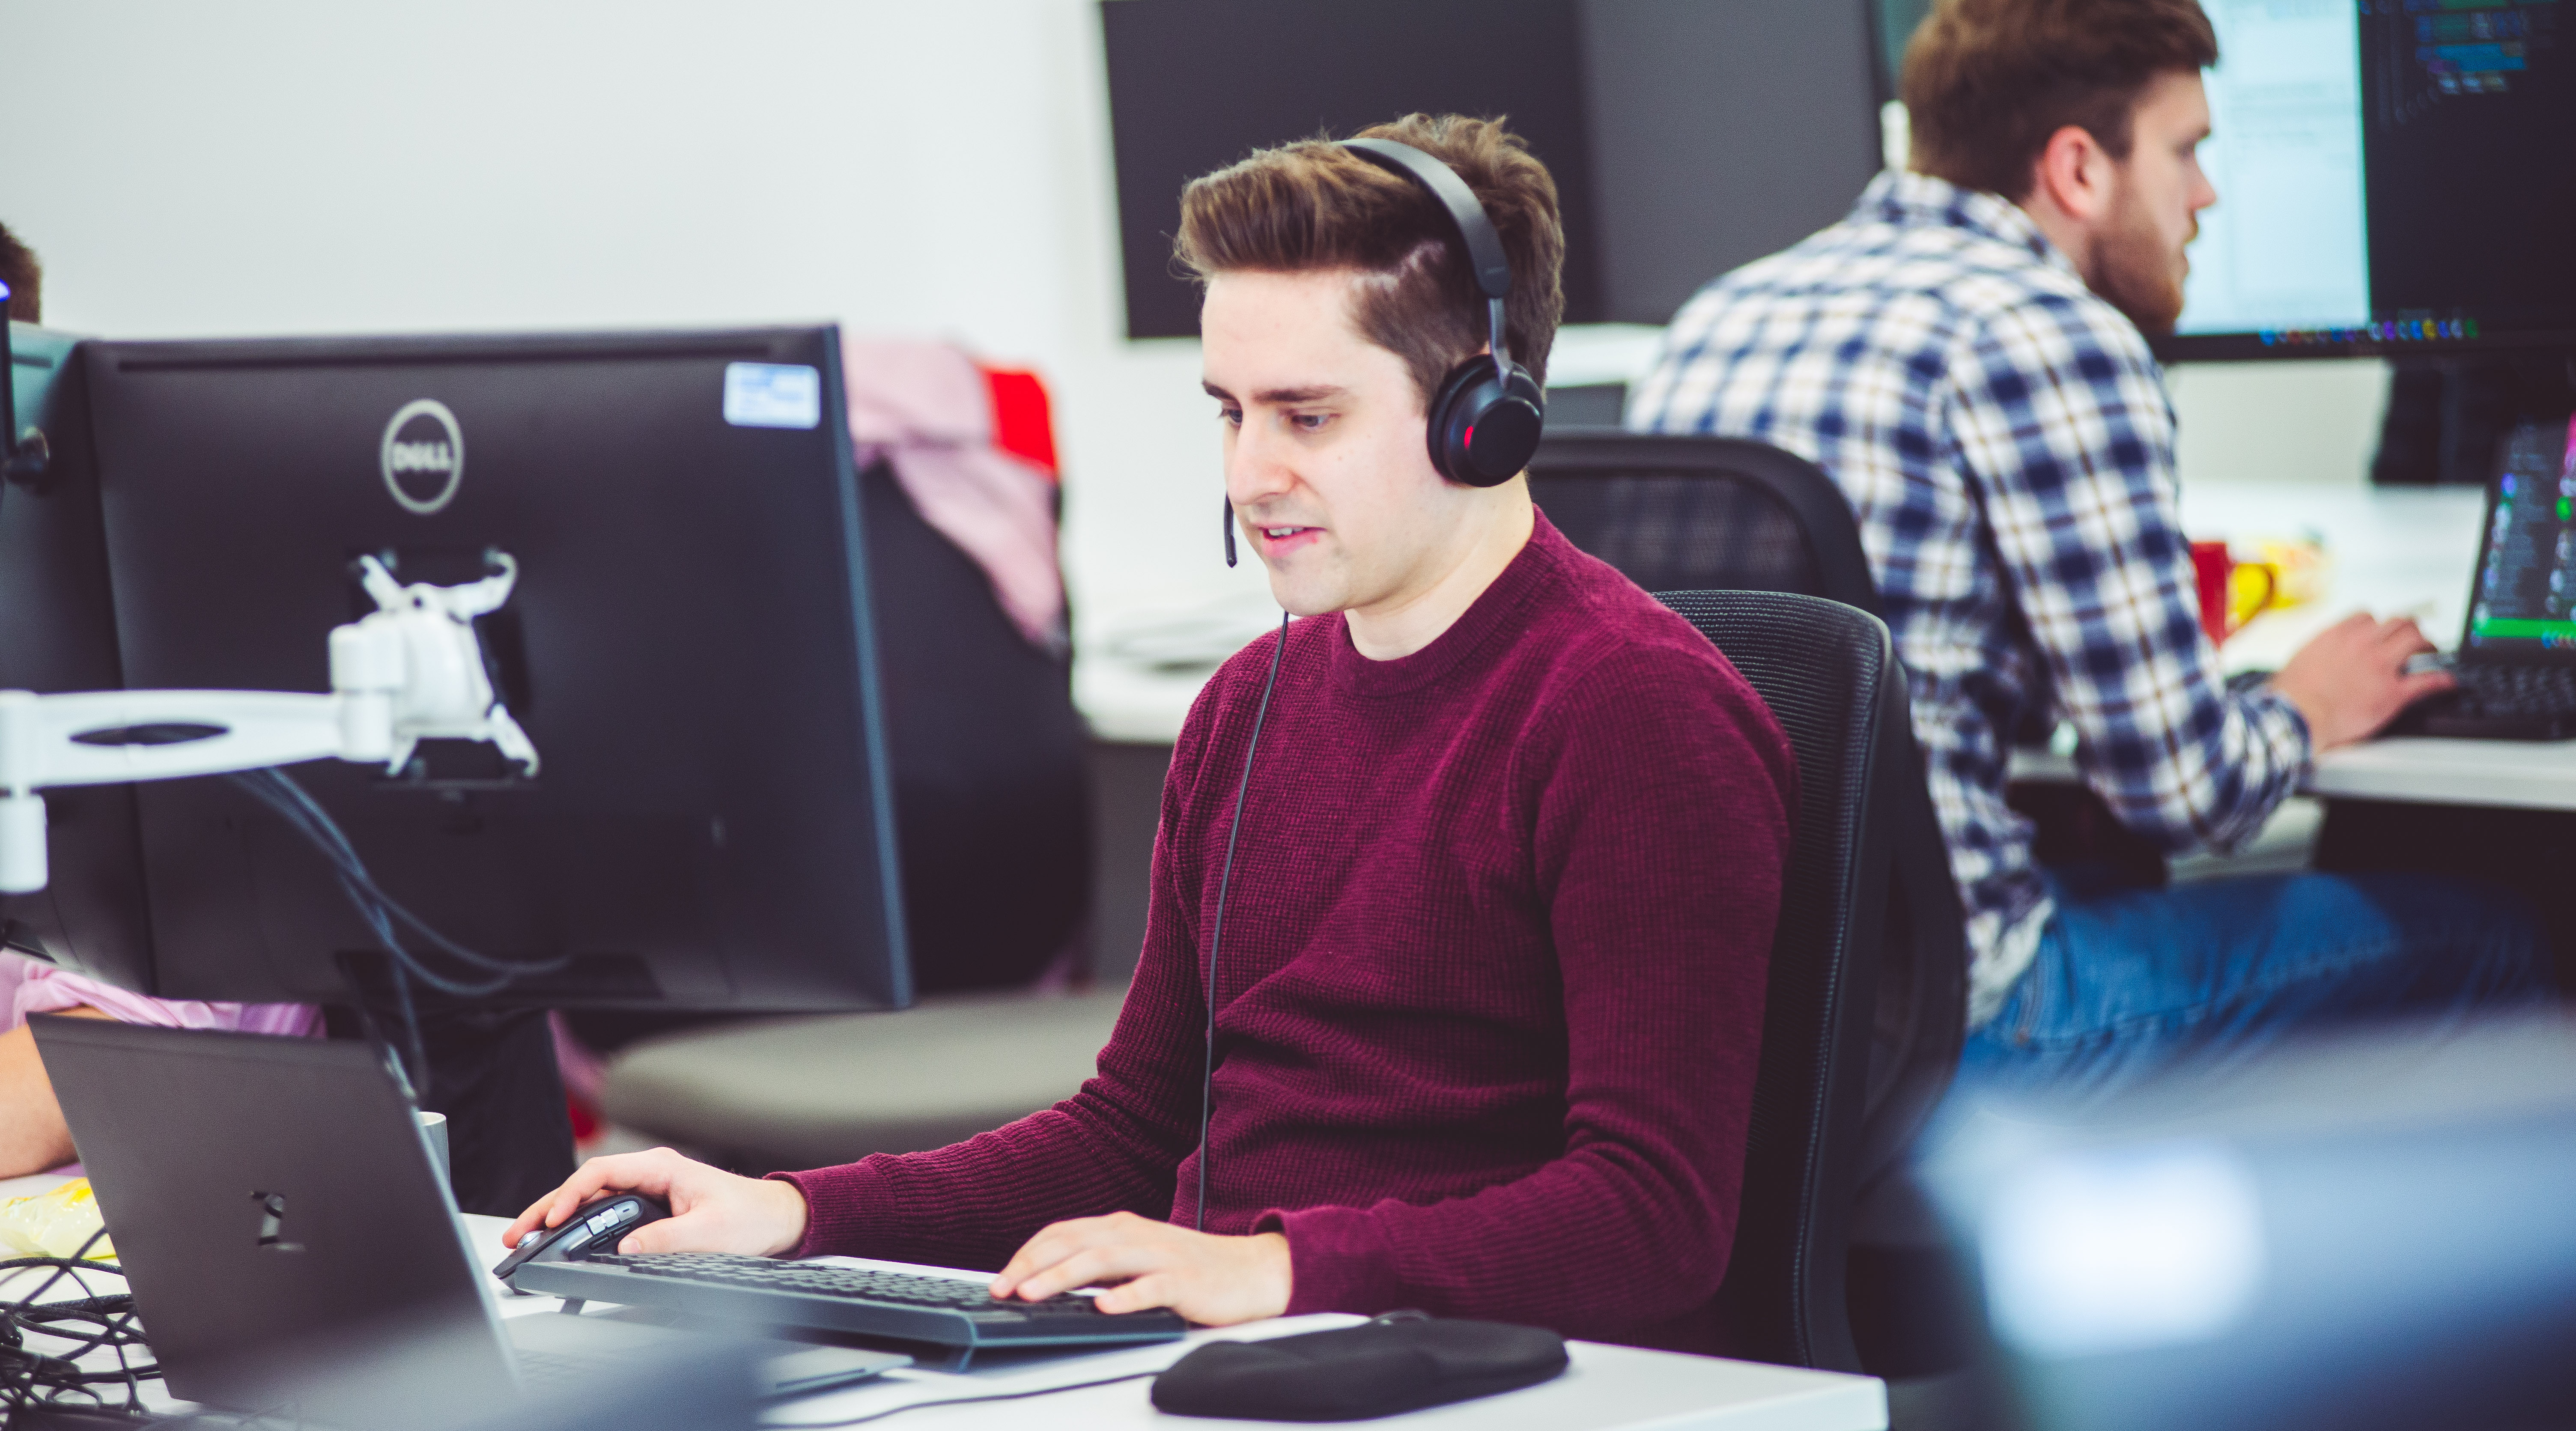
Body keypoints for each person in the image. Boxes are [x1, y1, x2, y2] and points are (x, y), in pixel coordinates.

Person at [507, 113, 1797, 1351]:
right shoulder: (1249, 706)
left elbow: (1653, 1219)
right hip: (1236, 1349)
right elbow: (1129, 1129)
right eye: (1229, 413)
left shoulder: (1633, 711)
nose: (1247, 477)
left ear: (1484, 417)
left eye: (1308, 417)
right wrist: (791, 1213)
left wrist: (1274, 1267)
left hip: (1491, 1374)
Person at [1628, 0, 2550, 1109]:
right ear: (2076, 169)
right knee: (2506, 935)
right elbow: (2185, 792)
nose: (2205, 195)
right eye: (2187, 151)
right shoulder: (2049, 334)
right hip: (1958, 1022)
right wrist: (2304, 705)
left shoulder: (1719, 317)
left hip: (1736, 1030)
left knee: (2122, 867)